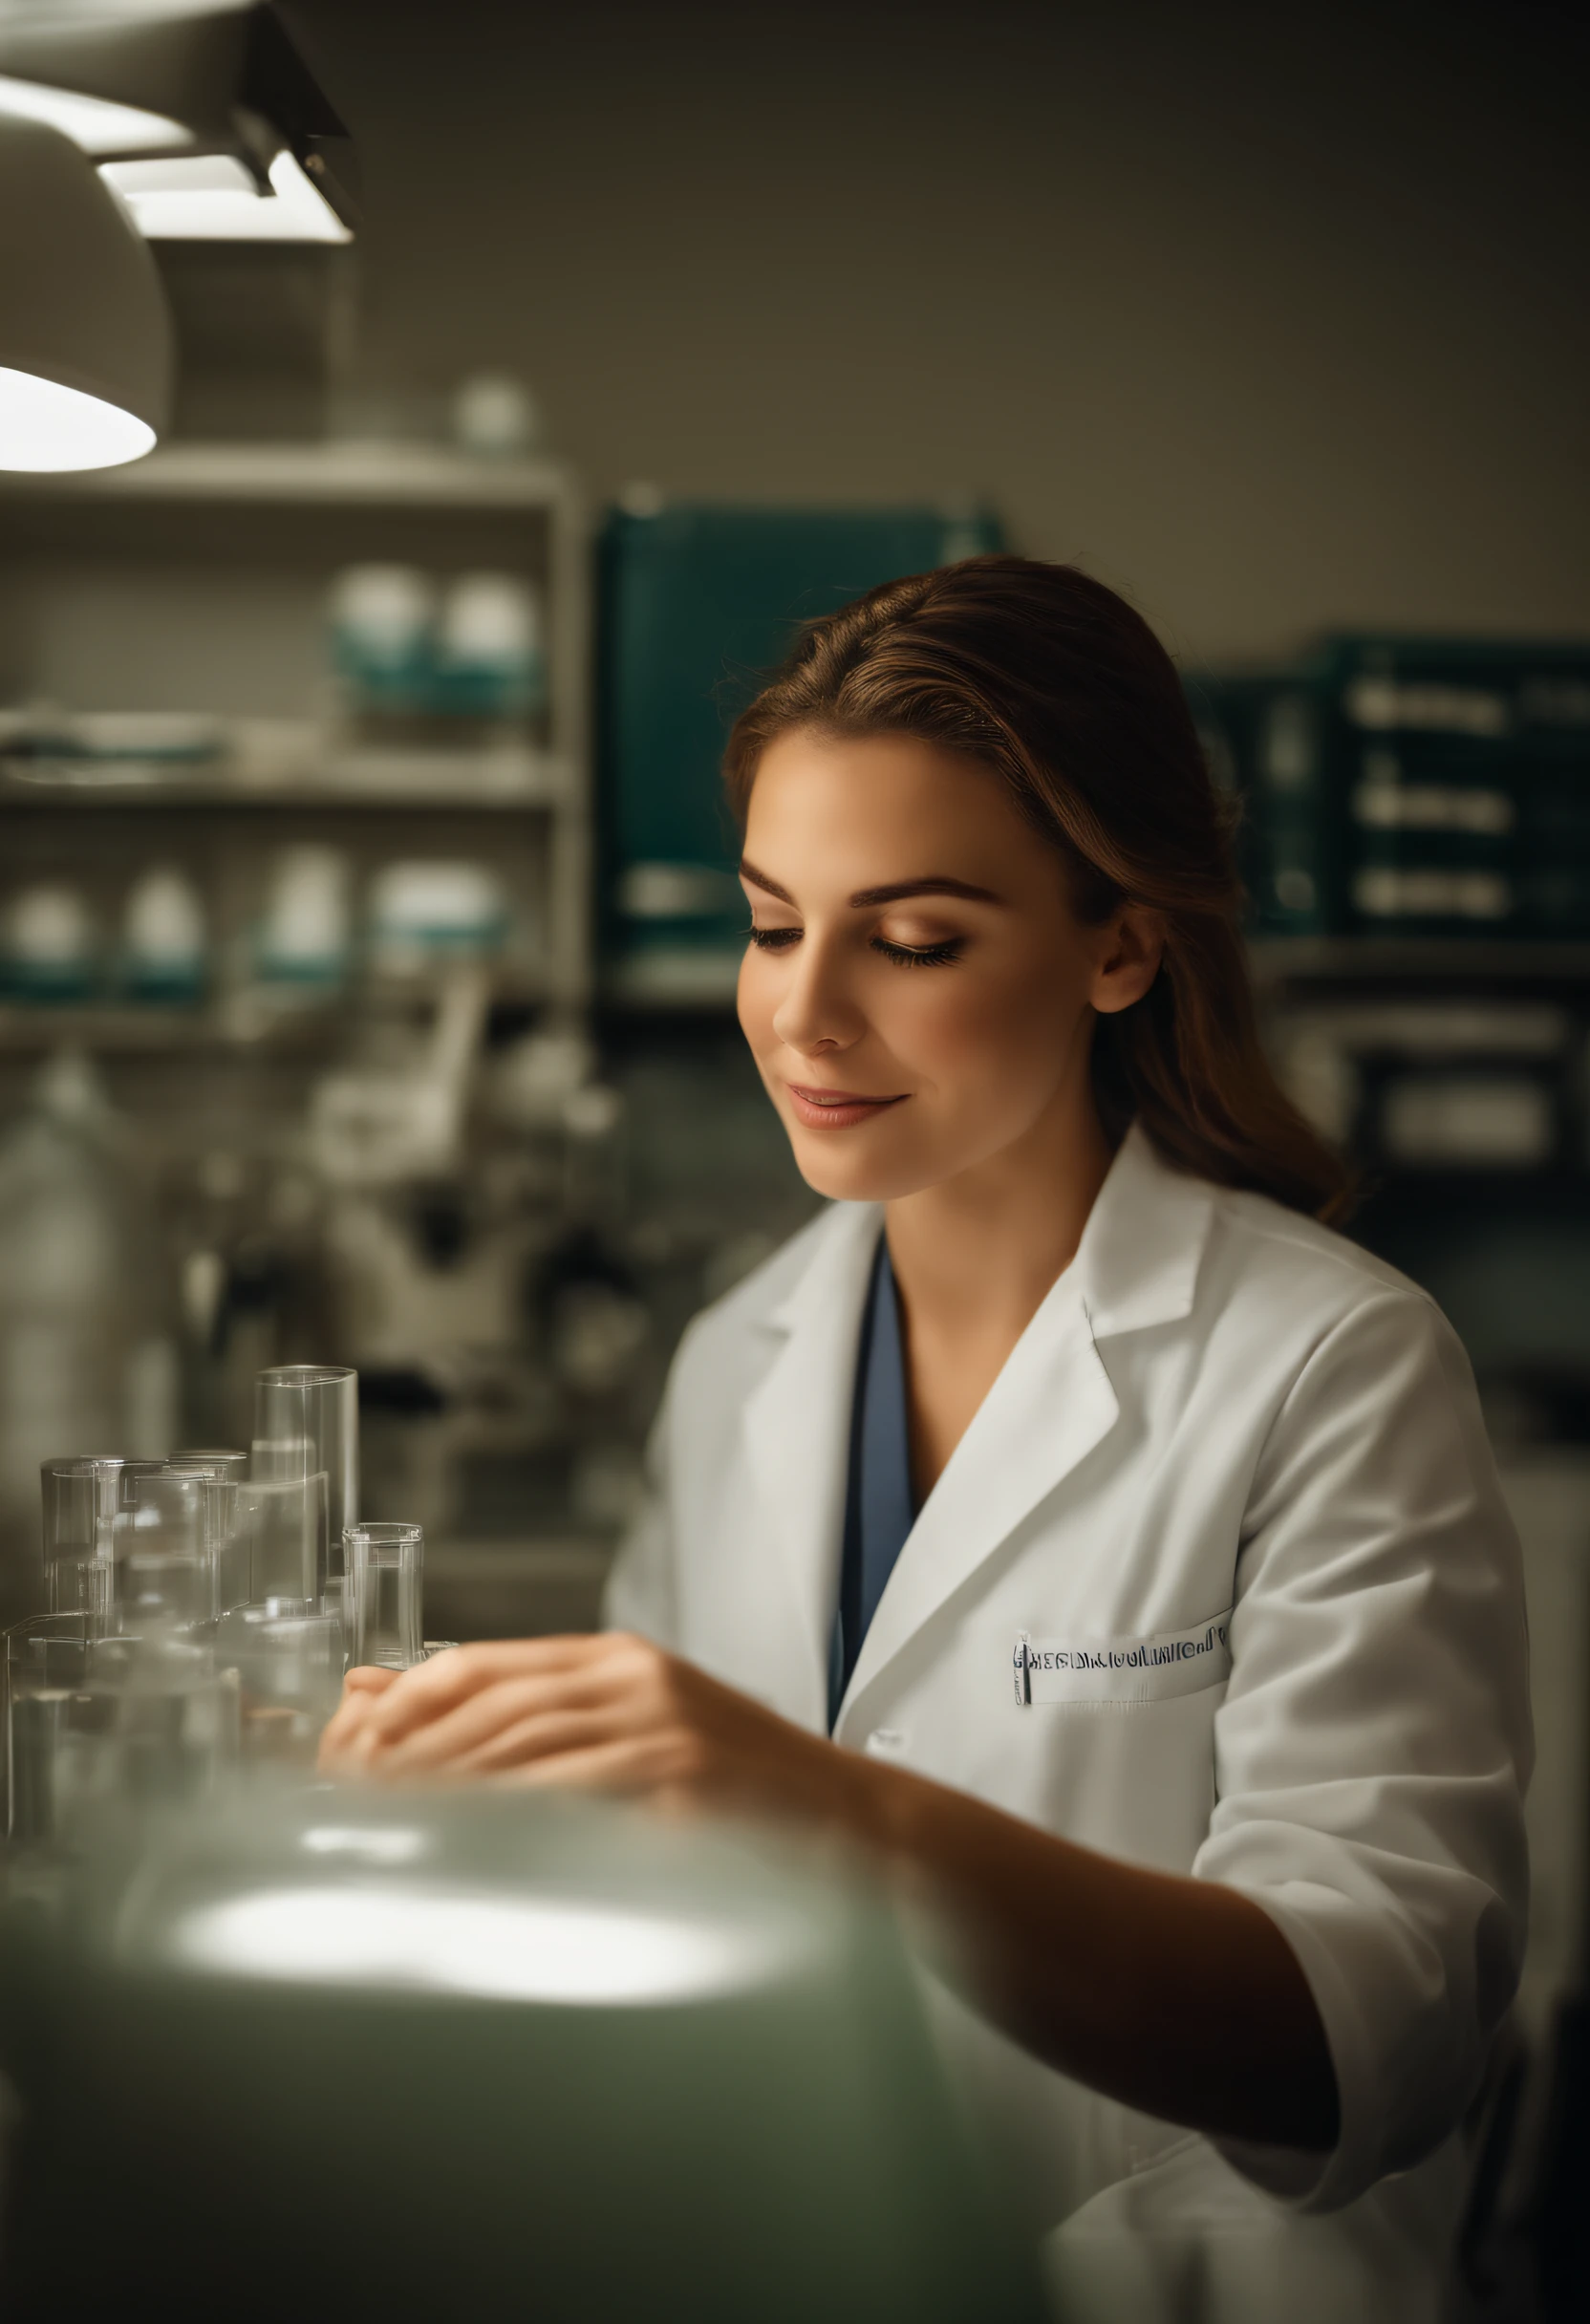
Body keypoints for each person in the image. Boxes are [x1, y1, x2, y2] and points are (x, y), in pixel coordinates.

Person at [321, 557, 1532, 2323]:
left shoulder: (1333, 1366)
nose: (806, 1014)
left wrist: (825, 1810)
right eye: (769, 922)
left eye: (912, 942)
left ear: (1121, 943)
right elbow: (687, 1911)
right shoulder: (744, 1357)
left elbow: (1374, 2036)